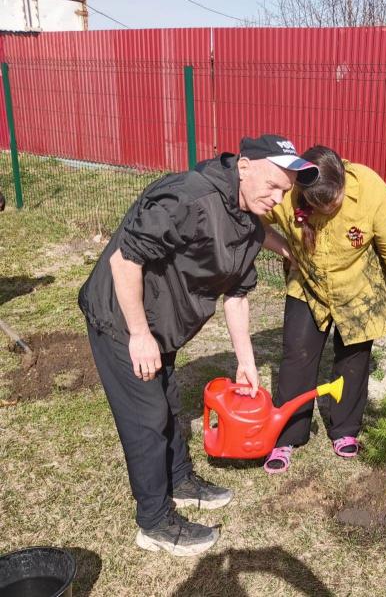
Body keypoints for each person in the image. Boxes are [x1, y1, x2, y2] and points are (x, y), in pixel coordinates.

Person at [78, 134, 318, 556]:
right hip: (121, 316)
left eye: (285, 191)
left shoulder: (246, 217)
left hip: (160, 322)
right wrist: (138, 334)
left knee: (168, 402)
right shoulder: (189, 197)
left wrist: (247, 362)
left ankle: (180, 478)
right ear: (244, 166)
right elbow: (124, 259)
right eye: (273, 185)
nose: (279, 199)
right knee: (147, 417)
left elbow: (238, 295)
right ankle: (154, 522)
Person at [260, 145, 386, 473]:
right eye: (318, 207)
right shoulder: (287, 189)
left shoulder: (371, 190)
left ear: (343, 183)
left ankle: (345, 429)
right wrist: (284, 248)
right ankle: (288, 435)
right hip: (307, 284)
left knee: (354, 358)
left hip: (359, 286)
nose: (327, 212)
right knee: (297, 355)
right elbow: (248, 215)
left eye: (333, 204)